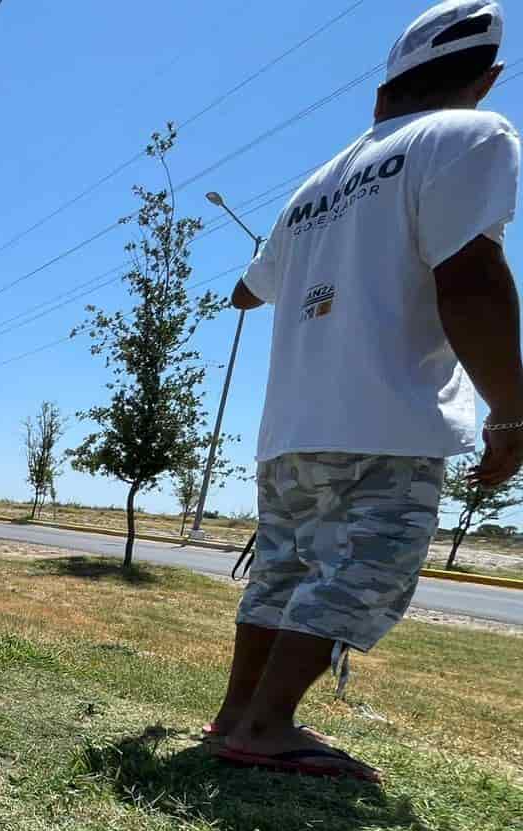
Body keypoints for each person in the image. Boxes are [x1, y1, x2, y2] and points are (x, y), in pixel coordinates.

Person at [211, 0, 523, 782]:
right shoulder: (470, 136)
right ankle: (269, 724)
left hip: (291, 428)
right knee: (362, 571)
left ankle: (237, 715)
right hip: (386, 415)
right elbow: (473, 279)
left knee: (283, 571)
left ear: (383, 96)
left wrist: (320, 253)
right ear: (488, 79)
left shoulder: (315, 185)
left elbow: (246, 293)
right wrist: (512, 410)